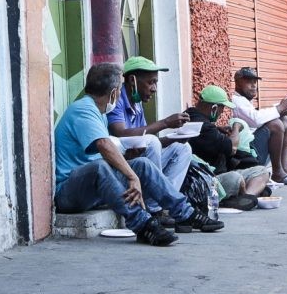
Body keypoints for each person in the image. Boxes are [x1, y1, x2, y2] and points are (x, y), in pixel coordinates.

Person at [54, 63, 223, 246]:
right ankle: (143, 225)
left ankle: (186, 213)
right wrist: (131, 176)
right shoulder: (83, 109)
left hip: (92, 191)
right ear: (114, 92)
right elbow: (103, 145)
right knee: (100, 168)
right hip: (68, 194)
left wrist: (128, 158)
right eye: (120, 88)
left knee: (142, 163)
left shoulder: (98, 112)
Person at [107, 56, 193, 225]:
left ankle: (165, 204)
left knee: (182, 149)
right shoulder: (117, 100)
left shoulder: (137, 105)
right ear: (132, 80)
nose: (154, 89)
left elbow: (146, 142)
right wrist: (165, 123)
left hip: (137, 160)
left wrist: (174, 138)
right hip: (120, 167)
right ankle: (154, 210)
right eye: (150, 82)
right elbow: (120, 133)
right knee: (152, 141)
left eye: (156, 83)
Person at [185, 85, 271, 207]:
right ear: (214, 108)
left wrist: (217, 129)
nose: (221, 113)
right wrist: (237, 127)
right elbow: (232, 148)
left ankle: (246, 197)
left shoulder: (192, 118)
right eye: (222, 108)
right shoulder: (203, 126)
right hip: (209, 181)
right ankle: (246, 196)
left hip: (214, 175)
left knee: (261, 171)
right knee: (235, 178)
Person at [231, 67, 287, 185]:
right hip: (247, 154)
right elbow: (256, 120)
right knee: (275, 124)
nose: (254, 85)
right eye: (249, 81)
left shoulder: (245, 100)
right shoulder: (236, 100)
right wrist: (279, 108)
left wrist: (280, 112)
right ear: (238, 83)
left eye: (255, 82)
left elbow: (257, 119)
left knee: (286, 120)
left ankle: (285, 169)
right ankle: (277, 172)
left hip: (256, 147)